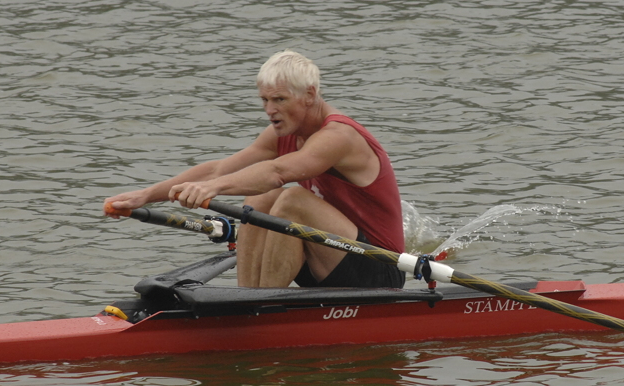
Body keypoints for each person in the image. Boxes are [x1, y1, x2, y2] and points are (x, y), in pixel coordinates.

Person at [103, 50, 406, 289]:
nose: (269, 110)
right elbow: (218, 169)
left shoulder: (338, 137)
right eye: (264, 100)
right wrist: (145, 196)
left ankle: (259, 307)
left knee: (291, 200)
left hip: (380, 269)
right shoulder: (282, 133)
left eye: (279, 100)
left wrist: (214, 189)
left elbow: (277, 172)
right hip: (328, 258)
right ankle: (248, 296)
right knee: (262, 200)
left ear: (310, 95)